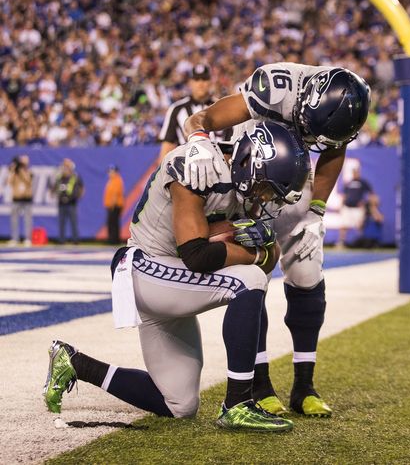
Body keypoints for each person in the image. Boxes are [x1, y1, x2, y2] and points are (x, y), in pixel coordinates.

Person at [43, 121, 311, 432]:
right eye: (266, 188)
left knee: (180, 404)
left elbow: (271, 256)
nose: (266, 199)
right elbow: (198, 255)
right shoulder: (198, 165)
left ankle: (75, 362)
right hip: (146, 269)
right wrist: (255, 252)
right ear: (249, 165)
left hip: (171, 278)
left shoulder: (244, 181)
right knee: (248, 279)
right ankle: (238, 403)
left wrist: (261, 250)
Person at [183, 63, 371, 417]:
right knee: (255, 281)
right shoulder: (274, 86)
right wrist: (197, 142)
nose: (314, 137)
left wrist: (317, 211)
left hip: (297, 183)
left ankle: (304, 386)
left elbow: (334, 150)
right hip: (257, 181)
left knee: (307, 271)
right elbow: (203, 118)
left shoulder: (348, 106)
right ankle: (260, 382)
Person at [157, 63, 231, 166]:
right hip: (186, 170)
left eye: (204, 79)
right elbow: (167, 146)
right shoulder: (176, 109)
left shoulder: (222, 107)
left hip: (220, 168)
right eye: (196, 80)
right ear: (190, 83)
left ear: (210, 82)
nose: (200, 84)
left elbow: (231, 141)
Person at [338, 165, 373, 248]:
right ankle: (341, 242)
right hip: (347, 207)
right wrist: (341, 205)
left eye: (357, 172)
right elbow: (344, 195)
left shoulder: (363, 183)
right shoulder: (349, 183)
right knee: (344, 225)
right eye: (354, 172)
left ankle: (361, 242)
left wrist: (364, 202)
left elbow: (370, 194)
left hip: (357, 208)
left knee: (359, 226)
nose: (355, 174)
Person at [51, 159, 84, 244]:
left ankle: (75, 239)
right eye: (64, 167)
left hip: (71, 203)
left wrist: (78, 197)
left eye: (66, 167)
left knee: (73, 222)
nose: (65, 169)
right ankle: (61, 240)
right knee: (61, 222)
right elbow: (54, 188)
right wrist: (54, 194)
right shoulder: (59, 177)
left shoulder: (75, 177)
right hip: (61, 203)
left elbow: (82, 188)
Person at [7, 155, 33, 247]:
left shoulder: (28, 171)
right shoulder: (15, 172)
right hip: (16, 198)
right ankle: (15, 238)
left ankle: (28, 238)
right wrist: (13, 171)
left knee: (27, 220)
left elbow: (28, 181)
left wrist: (21, 171)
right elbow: (9, 182)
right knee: (14, 220)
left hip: (26, 198)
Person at [103, 165, 125, 244]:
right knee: (112, 223)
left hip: (114, 205)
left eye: (111, 172)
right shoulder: (111, 180)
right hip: (111, 205)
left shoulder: (117, 180)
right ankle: (112, 239)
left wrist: (113, 204)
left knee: (113, 223)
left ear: (115, 172)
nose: (110, 173)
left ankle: (114, 240)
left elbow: (116, 193)